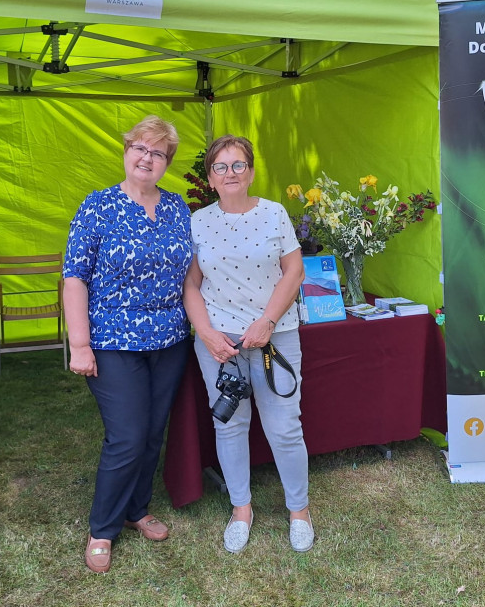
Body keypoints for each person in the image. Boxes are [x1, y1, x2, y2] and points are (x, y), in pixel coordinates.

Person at [64, 115, 193, 574]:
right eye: (140, 147)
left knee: (153, 430)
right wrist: (80, 344)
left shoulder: (178, 208)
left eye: (158, 152)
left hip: (171, 339)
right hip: (113, 340)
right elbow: (74, 278)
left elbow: (192, 275)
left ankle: (138, 508)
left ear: (167, 162)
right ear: (126, 151)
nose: (147, 157)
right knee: (127, 436)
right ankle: (103, 528)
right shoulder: (97, 206)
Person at [182, 135, 312, 554]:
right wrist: (207, 334)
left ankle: (299, 511)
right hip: (219, 342)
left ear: (252, 172)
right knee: (229, 424)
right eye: (221, 167)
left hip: (276, 337)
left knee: (284, 427)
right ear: (211, 178)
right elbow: (191, 284)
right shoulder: (197, 221)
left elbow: (294, 272)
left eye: (238, 165)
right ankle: (241, 508)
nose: (231, 173)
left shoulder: (274, 214)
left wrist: (267, 322)